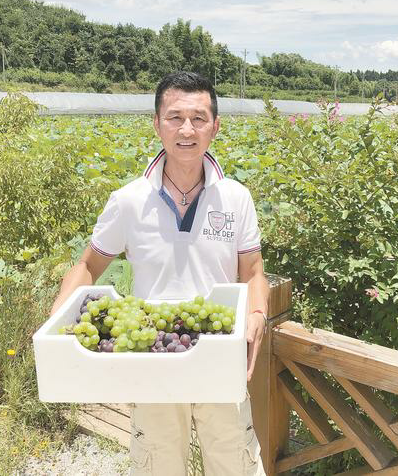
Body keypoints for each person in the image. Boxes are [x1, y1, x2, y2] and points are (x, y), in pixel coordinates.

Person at [49, 71, 269, 476]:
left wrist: (257, 315)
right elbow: (87, 266)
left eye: (199, 118)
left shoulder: (236, 198)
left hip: (219, 355)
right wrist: (57, 321)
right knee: (158, 466)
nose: (187, 129)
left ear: (215, 127)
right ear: (156, 124)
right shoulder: (129, 201)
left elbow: (254, 273)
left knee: (234, 464)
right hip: (152, 356)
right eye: (175, 118)